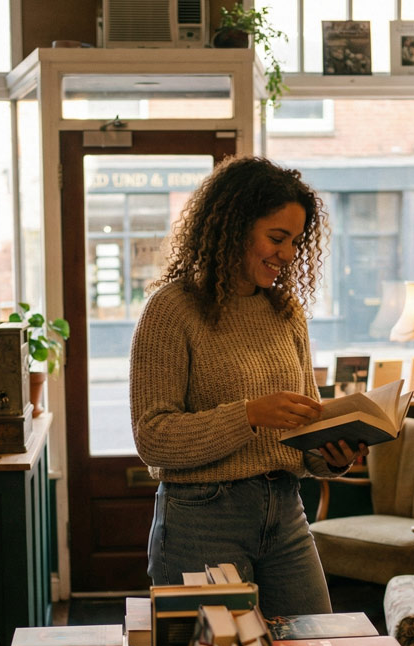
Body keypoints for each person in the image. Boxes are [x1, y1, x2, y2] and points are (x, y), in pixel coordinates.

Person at [129, 155, 366, 618]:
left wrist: (330, 455)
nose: (289, 254)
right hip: (201, 519)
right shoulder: (171, 310)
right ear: (233, 227)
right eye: (277, 238)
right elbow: (153, 438)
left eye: (296, 242)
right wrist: (250, 415)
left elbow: (302, 430)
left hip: (286, 511)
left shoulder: (285, 312)